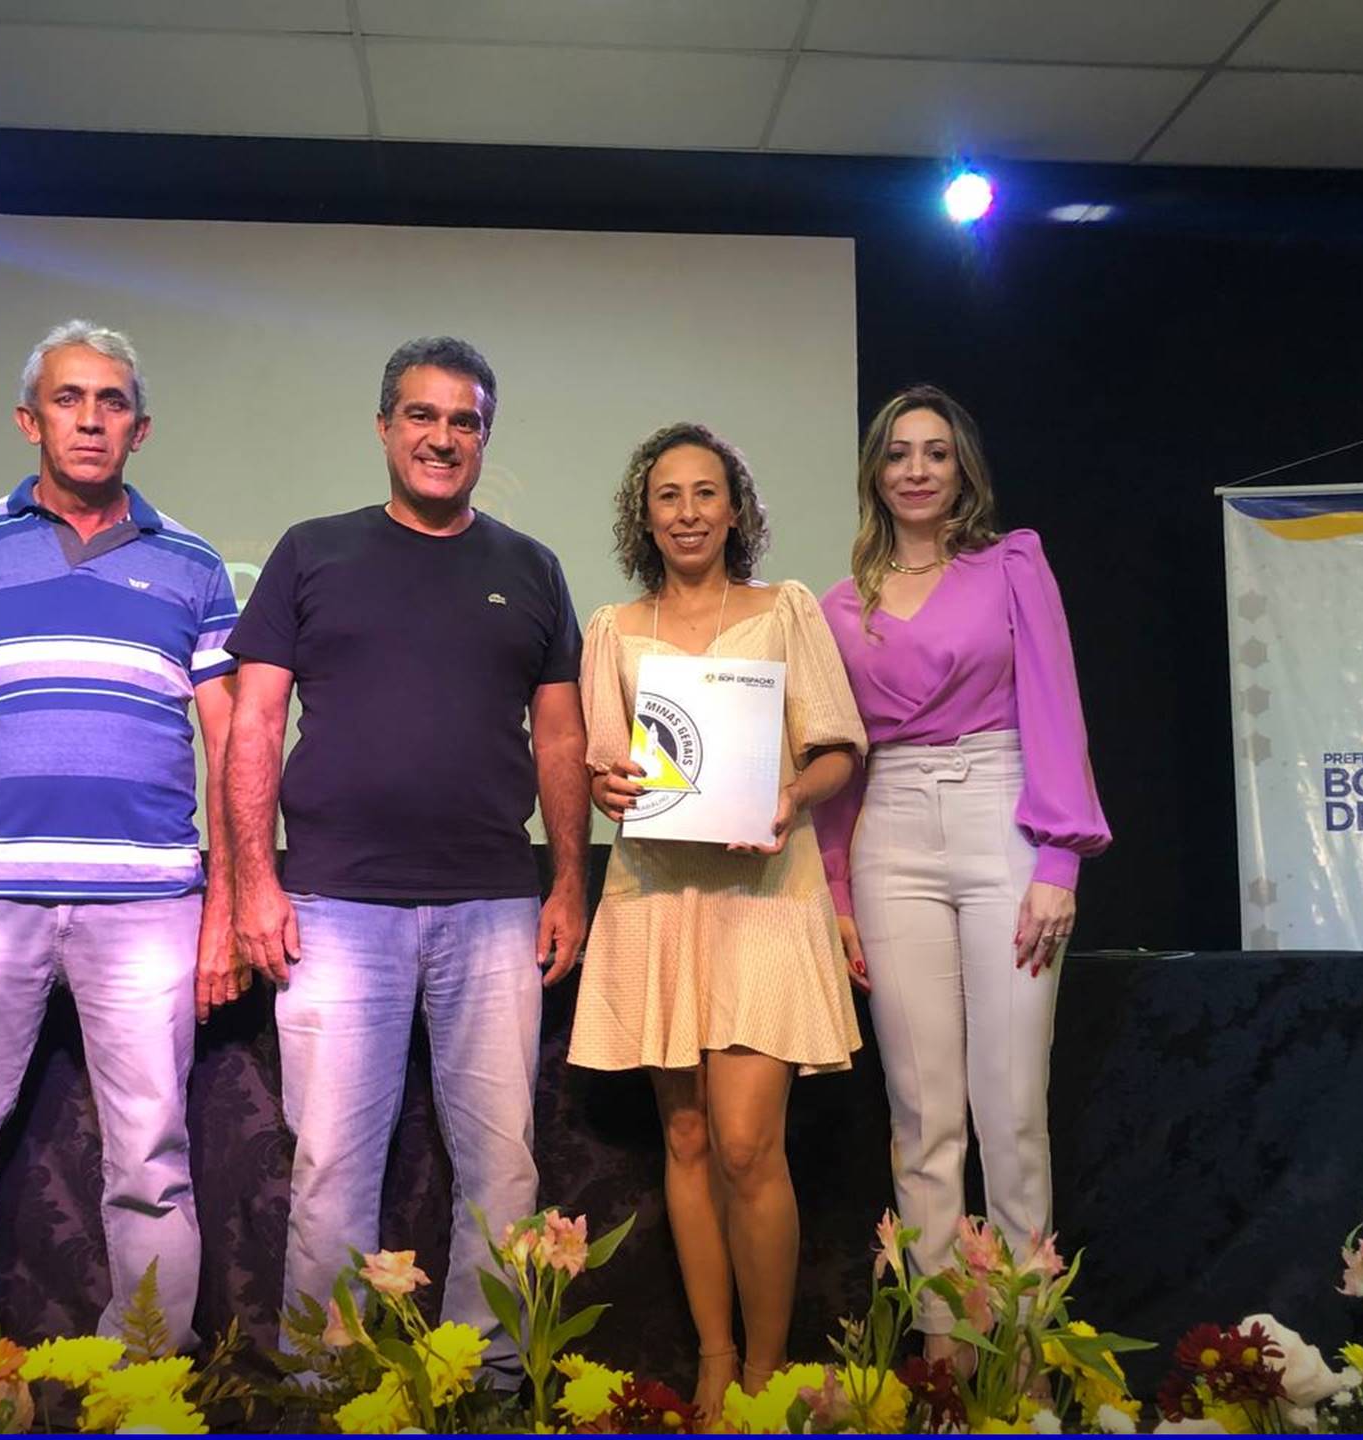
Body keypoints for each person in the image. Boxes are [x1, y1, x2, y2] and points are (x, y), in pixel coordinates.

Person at [0, 320, 239, 1359]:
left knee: (151, 1160)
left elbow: (232, 748)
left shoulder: (196, 565)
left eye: (112, 402)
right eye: (69, 398)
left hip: (149, 906)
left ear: (140, 429)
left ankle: (145, 1390)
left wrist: (228, 901)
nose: (91, 419)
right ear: (31, 420)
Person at [223, 337, 589, 1376]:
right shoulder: (311, 552)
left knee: (504, 1173)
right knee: (333, 1169)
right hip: (335, 904)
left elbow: (561, 736)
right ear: (385, 427)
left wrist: (569, 880)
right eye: (422, 416)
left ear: (485, 438)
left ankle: (489, 1386)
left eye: (464, 420)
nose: (442, 437)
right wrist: (254, 881)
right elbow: (254, 725)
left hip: (493, 904)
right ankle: (328, 1386)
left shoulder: (532, 568)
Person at [572, 422, 865, 1417]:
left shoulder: (784, 610)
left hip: (763, 898)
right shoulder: (614, 628)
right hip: (660, 898)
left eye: (705, 493)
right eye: (669, 496)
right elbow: (605, 768)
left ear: (735, 509)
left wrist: (791, 795)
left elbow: (837, 748)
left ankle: (768, 1374)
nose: (688, 512)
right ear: (645, 515)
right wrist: (610, 786)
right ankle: (714, 1356)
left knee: (746, 1144)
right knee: (690, 1138)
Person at [813, 385, 1111, 1354]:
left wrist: (1060, 855)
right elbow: (841, 757)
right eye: (899, 452)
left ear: (962, 468)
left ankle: (1021, 1362)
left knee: (1012, 1110)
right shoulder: (838, 606)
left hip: (1002, 815)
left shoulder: (1012, 564)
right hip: (890, 834)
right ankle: (946, 1359)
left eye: (935, 452)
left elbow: (1056, 705)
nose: (916, 469)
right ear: (875, 471)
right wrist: (835, 889)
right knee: (923, 1114)